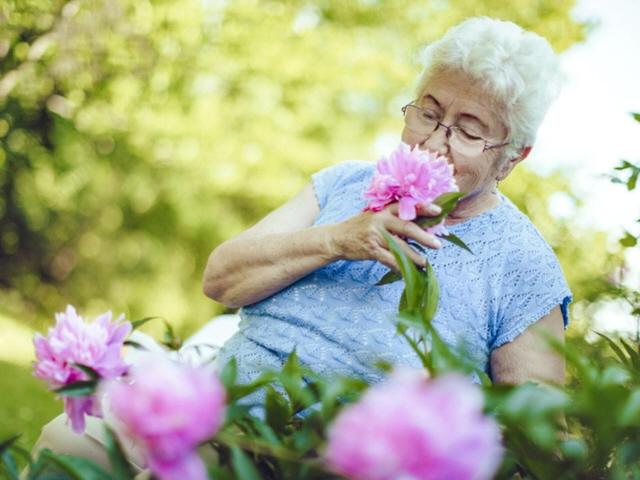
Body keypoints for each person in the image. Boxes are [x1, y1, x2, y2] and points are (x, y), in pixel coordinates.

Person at [33, 16, 571, 471]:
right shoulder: (343, 183)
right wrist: (340, 238)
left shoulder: (523, 265)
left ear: (514, 156)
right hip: (214, 405)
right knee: (67, 442)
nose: (434, 140)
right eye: (428, 113)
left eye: (469, 129)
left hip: (341, 461)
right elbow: (221, 278)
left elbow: (535, 431)